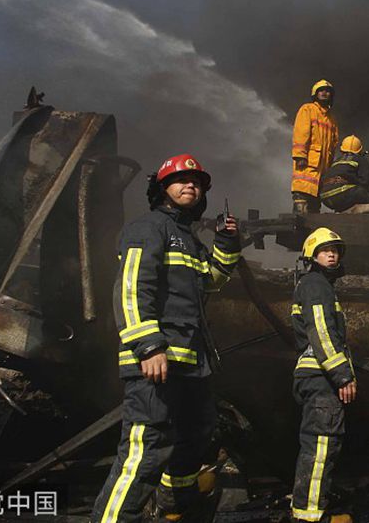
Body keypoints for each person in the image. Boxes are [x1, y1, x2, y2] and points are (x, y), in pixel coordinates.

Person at [91, 154, 241, 522]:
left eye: (197, 181)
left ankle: (174, 508)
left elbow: (212, 282)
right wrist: (149, 345)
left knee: (194, 439)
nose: (191, 184)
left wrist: (226, 241)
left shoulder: (188, 239)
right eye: (181, 179)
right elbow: (130, 290)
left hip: (191, 366)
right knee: (147, 450)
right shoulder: (148, 228)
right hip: (156, 364)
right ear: (162, 189)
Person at [290, 227, 356, 523]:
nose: (332, 254)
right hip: (322, 378)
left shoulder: (317, 284)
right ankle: (309, 517)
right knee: (320, 446)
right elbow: (321, 330)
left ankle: (309, 511)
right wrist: (342, 375)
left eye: (336, 250)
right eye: (325, 250)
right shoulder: (316, 284)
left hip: (316, 376)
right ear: (311, 255)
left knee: (321, 445)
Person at [291, 79, 339, 215]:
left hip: (322, 171)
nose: (324, 93)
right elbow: (301, 133)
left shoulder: (332, 119)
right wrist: (300, 156)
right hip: (306, 166)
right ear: (315, 93)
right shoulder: (308, 109)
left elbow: (334, 144)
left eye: (328, 91)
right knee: (302, 202)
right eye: (321, 90)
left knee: (314, 207)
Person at [320, 135, 369, 212]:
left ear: (342, 150)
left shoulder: (336, 161)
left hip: (325, 198)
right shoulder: (360, 160)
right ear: (359, 150)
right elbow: (366, 183)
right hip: (343, 194)